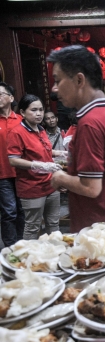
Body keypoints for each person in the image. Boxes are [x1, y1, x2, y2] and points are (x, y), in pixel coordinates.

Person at [48, 45, 105, 232]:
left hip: (98, 234)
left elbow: (91, 188)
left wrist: (60, 178)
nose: (55, 88)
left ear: (79, 80)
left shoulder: (90, 123)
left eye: (58, 80)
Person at [7, 95, 63, 239]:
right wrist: (38, 165)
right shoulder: (17, 132)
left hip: (50, 184)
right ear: (23, 112)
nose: (39, 114)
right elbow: (13, 160)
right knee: (33, 227)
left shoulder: (41, 129)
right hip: (31, 187)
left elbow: (44, 150)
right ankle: (27, 259)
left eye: (41, 110)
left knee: (54, 224)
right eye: (34, 110)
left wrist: (59, 153)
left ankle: (54, 256)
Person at [0, 82, 25, 246]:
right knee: (9, 212)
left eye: (1, 93)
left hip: (22, 173)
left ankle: (21, 244)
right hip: (2, 174)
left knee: (22, 211)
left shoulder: (22, 120)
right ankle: (10, 248)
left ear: (11, 97)